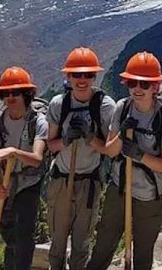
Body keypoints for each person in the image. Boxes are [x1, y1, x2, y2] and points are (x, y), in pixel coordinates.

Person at [87, 51, 162, 270]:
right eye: (132, 83)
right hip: (119, 187)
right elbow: (111, 152)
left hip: (150, 195)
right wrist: (122, 134)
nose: (137, 89)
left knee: (143, 254)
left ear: (155, 87)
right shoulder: (122, 108)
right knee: (103, 246)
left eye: (144, 84)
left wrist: (140, 155)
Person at [46, 47, 116, 270]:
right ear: (68, 77)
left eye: (88, 74)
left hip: (89, 182)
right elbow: (50, 145)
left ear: (95, 77)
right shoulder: (59, 104)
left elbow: (110, 150)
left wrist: (90, 137)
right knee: (57, 241)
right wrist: (66, 140)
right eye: (77, 74)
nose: (82, 79)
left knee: (81, 242)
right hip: (61, 179)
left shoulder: (105, 106)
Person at [0, 66, 48, 270]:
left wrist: (12, 151)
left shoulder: (39, 121)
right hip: (6, 181)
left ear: (26, 94)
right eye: (6, 93)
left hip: (29, 181)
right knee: (7, 231)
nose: (10, 97)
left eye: (16, 92)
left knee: (24, 232)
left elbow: (37, 159)